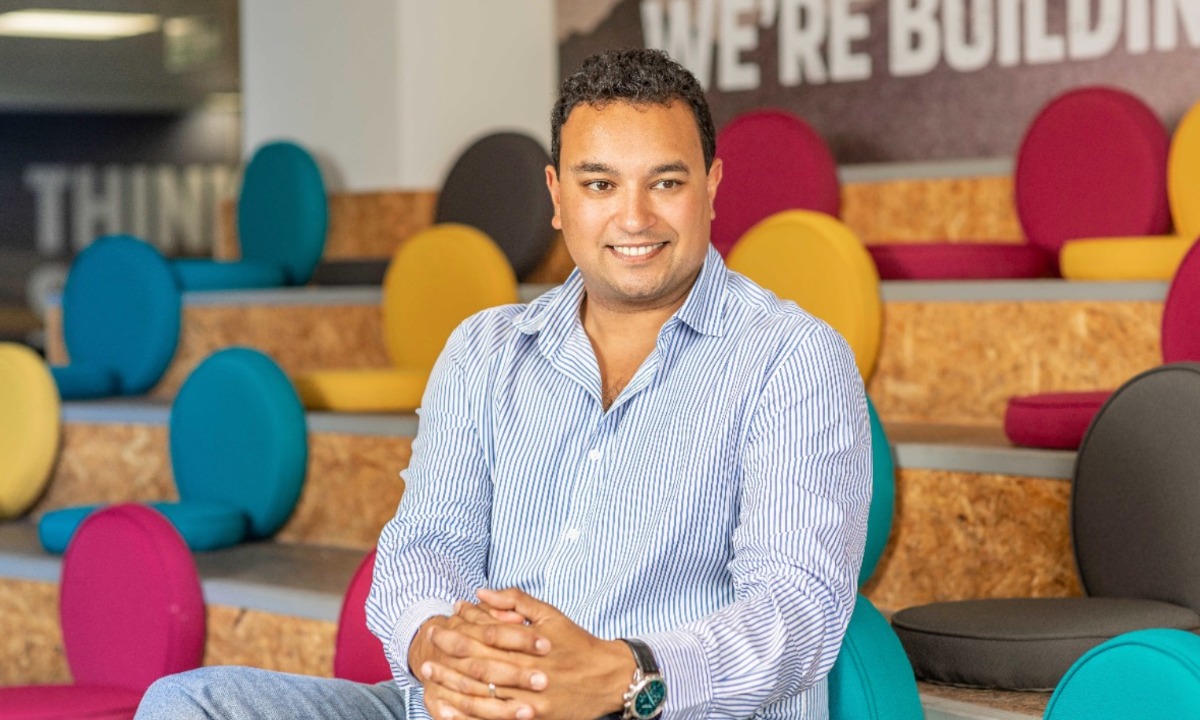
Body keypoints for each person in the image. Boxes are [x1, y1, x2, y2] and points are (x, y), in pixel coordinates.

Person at [136, 48, 870, 720]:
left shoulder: (793, 358)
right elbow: (425, 544)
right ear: (557, 195)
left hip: (647, 709)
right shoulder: (484, 351)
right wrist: (435, 647)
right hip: (470, 711)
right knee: (188, 705)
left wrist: (625, 675)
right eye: (599, 184)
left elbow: (797, 607)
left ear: (711, 187)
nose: (634, 216)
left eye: (666, 182)